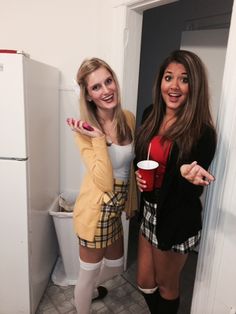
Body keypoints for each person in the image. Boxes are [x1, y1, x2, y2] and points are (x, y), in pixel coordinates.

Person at [135, 50, 216, 314]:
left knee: (166, 285)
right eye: (168, 77)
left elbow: (191, 188)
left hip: (176, 217)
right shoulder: (150, 114)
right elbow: (142, 157)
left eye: (184, 79)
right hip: (150, 210)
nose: (174, 86)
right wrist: (140, 177)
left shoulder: (202, 132)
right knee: (145, 282)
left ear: (194, 86)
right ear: (160, 81)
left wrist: (185, 176)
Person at [67, 57, 137, 314]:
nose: (106, 90)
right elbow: (105, 181)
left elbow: (130, 166)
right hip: (96, 211)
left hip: (115, 209)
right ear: (88, 95)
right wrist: (98, 138)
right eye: (96, 87)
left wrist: (131, 202)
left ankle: (90, 290)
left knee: (117, 265)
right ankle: (85, 299)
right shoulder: (84, 130)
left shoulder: (127, 118)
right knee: (87, 275)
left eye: (108, 81)